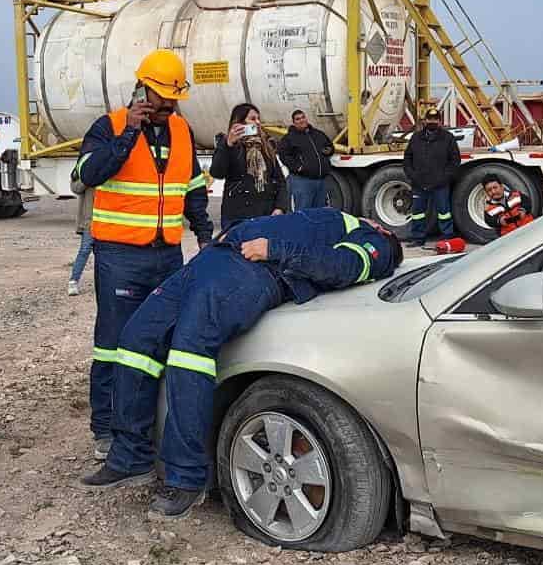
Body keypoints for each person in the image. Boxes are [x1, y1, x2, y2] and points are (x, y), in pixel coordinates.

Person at [80, 208, 401, 519]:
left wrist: (275, 247)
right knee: (136, 340)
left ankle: (186, 478)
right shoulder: (336, 219)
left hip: (253, 271)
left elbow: (343, 266)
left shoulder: (378, 242)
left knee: (189, 353)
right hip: (214, 260)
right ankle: (130, 457)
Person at [76, 49, 213, 461]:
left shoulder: (182, 131)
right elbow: (87, 175)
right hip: (120, 256)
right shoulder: (110, 126)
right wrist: (127, 138)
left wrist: (204, 233)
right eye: (160, 98)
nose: (167, 106)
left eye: (172, 99)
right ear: (141, 90)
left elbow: (191, 187)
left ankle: (146, 422)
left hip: (166, 254)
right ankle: (107, 427)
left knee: (158, 342)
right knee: (113, 345)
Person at [209, 103, 289, 231]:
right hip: (238, 215)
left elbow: (279, 180)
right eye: (252, 119)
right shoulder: (228, 145)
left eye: (258, 119)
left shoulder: (266, 146)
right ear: (239, 122)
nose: (257, 122)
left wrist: (280, 207)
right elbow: (217, 173)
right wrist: (228, 145)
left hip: (266, 213)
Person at [403, 107, 460, 246]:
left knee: (444, 212)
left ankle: (447, 237)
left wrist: (444, 178)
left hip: (440, 184)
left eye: (435, 119)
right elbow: (407, 158)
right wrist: (412, 176)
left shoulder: (448, 138)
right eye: (430, 119)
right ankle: (418, 238)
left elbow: (455, 161)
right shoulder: (416, 137)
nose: (432, 121)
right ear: (425, 120)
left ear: (439, 121)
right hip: (419, 184)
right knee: (417, 213)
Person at [277, 109, 334, 210]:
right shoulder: (289, 138)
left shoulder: (318, 134)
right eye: (298, 119)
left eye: (303, 117)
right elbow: (283, 155)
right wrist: (298, 167)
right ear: (294, 122)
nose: (301, 120)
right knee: (304, 212)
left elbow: (329, 146)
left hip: (320, 181)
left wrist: (328, 151)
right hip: (302, 181)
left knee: (319, 212)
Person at [68, 167, 94, 295]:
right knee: (84, 251)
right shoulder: (85, 167)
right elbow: (76, 187)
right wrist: (88, 176)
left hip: (106, 221)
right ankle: (73, 281)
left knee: (105, 255)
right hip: (90, 221)